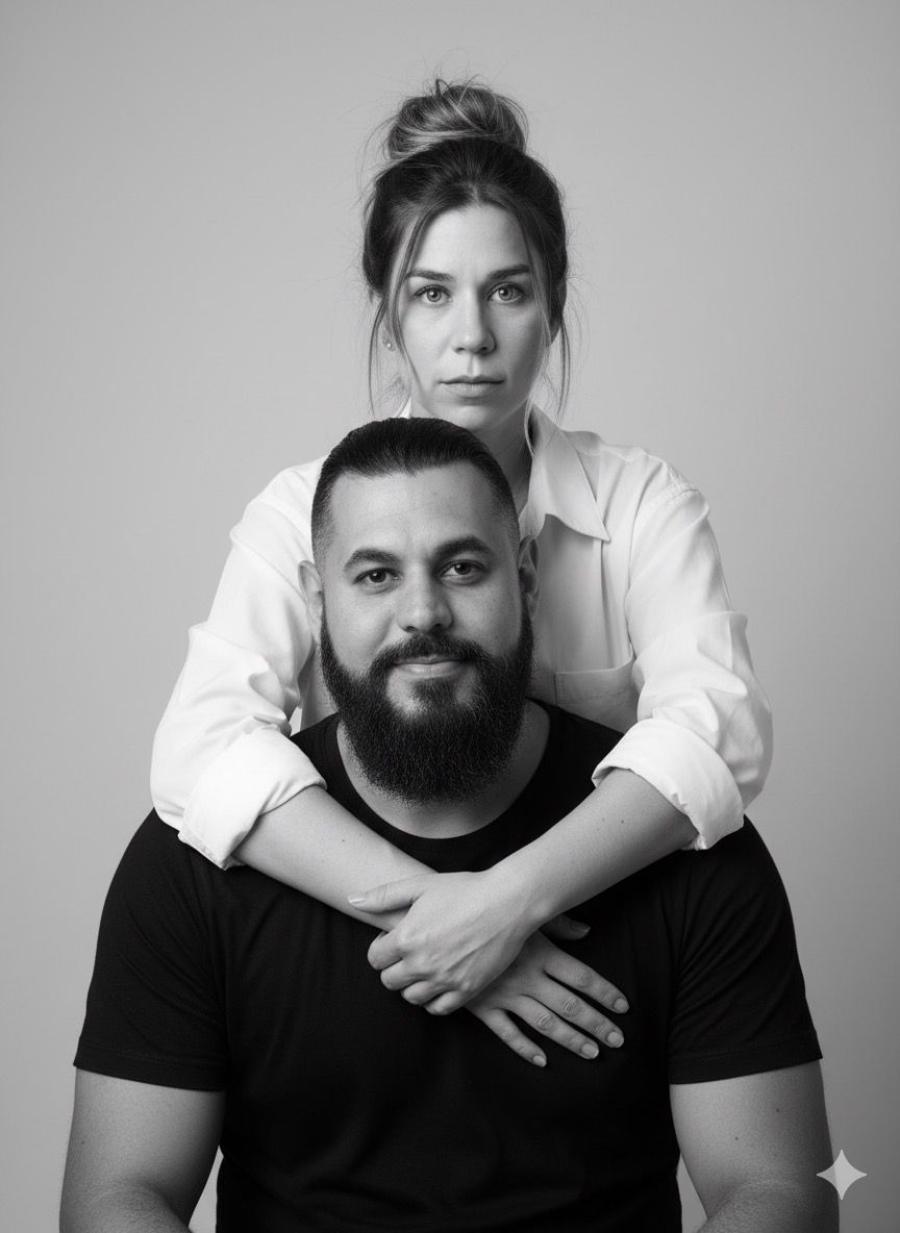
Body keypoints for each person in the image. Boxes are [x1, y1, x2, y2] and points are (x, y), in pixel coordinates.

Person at [62, 419, 834, 1233]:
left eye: (463, 567)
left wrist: (509, 902)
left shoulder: (683, 845)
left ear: (526, 579)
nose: (423, 612)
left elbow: (781, 1191)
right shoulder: (193, 861)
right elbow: (116, 1197)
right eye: (376, 575)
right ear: (317, 601)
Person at [150, 79, 773, 1046]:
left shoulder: (643, 503)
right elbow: (199, 749)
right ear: (388, 313)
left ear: (553, 305)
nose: (472, 336)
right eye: (432, 293)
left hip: (596, 956)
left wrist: (509, 903)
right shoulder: (300, 511)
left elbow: (718, 732)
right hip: (369, 963)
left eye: (508, 291)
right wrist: (445, 921)